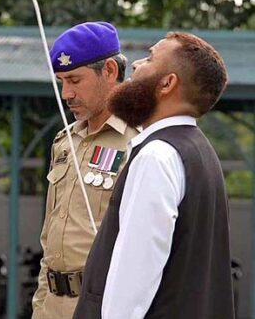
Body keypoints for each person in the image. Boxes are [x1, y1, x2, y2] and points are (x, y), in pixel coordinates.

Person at [74, 32, 233, 319]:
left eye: (149, 58)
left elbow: (133, 277)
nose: (135, 65)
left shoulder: (156, 156)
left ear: (167, 83)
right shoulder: (200, 152)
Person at [32, 22, 139, 319]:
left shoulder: (140, 142)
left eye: (75, 80)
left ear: (109, 71)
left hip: (104, 305)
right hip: (52, 305)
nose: (66, 94)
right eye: (61, 81)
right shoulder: (64, 142)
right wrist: (41, 307)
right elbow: (49, 240)